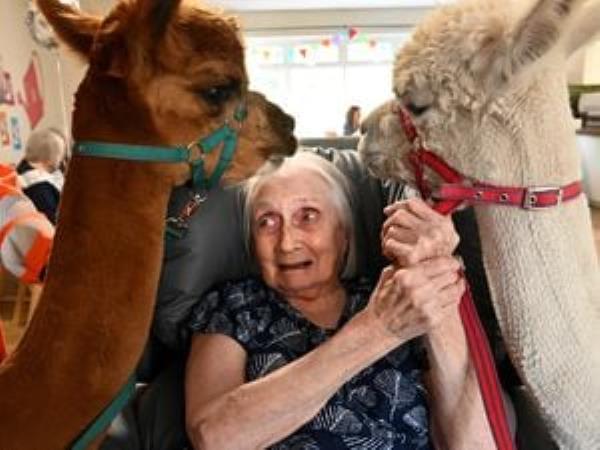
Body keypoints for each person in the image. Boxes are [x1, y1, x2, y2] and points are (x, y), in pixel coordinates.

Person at [184, 152, 495, 449]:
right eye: (267, 221)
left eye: (307, 216)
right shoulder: (234, 306)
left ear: (343, 233)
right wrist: (377, 330)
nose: (287, 242)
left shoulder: (398, 297)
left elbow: (477, 444)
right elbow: (214, 438)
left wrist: (433, 269)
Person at [16, 127, 67, 224]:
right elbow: (57, 224)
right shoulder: (40, 187)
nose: (62, 161)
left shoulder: (22, 170)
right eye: (61, 154)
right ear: (52, 156)